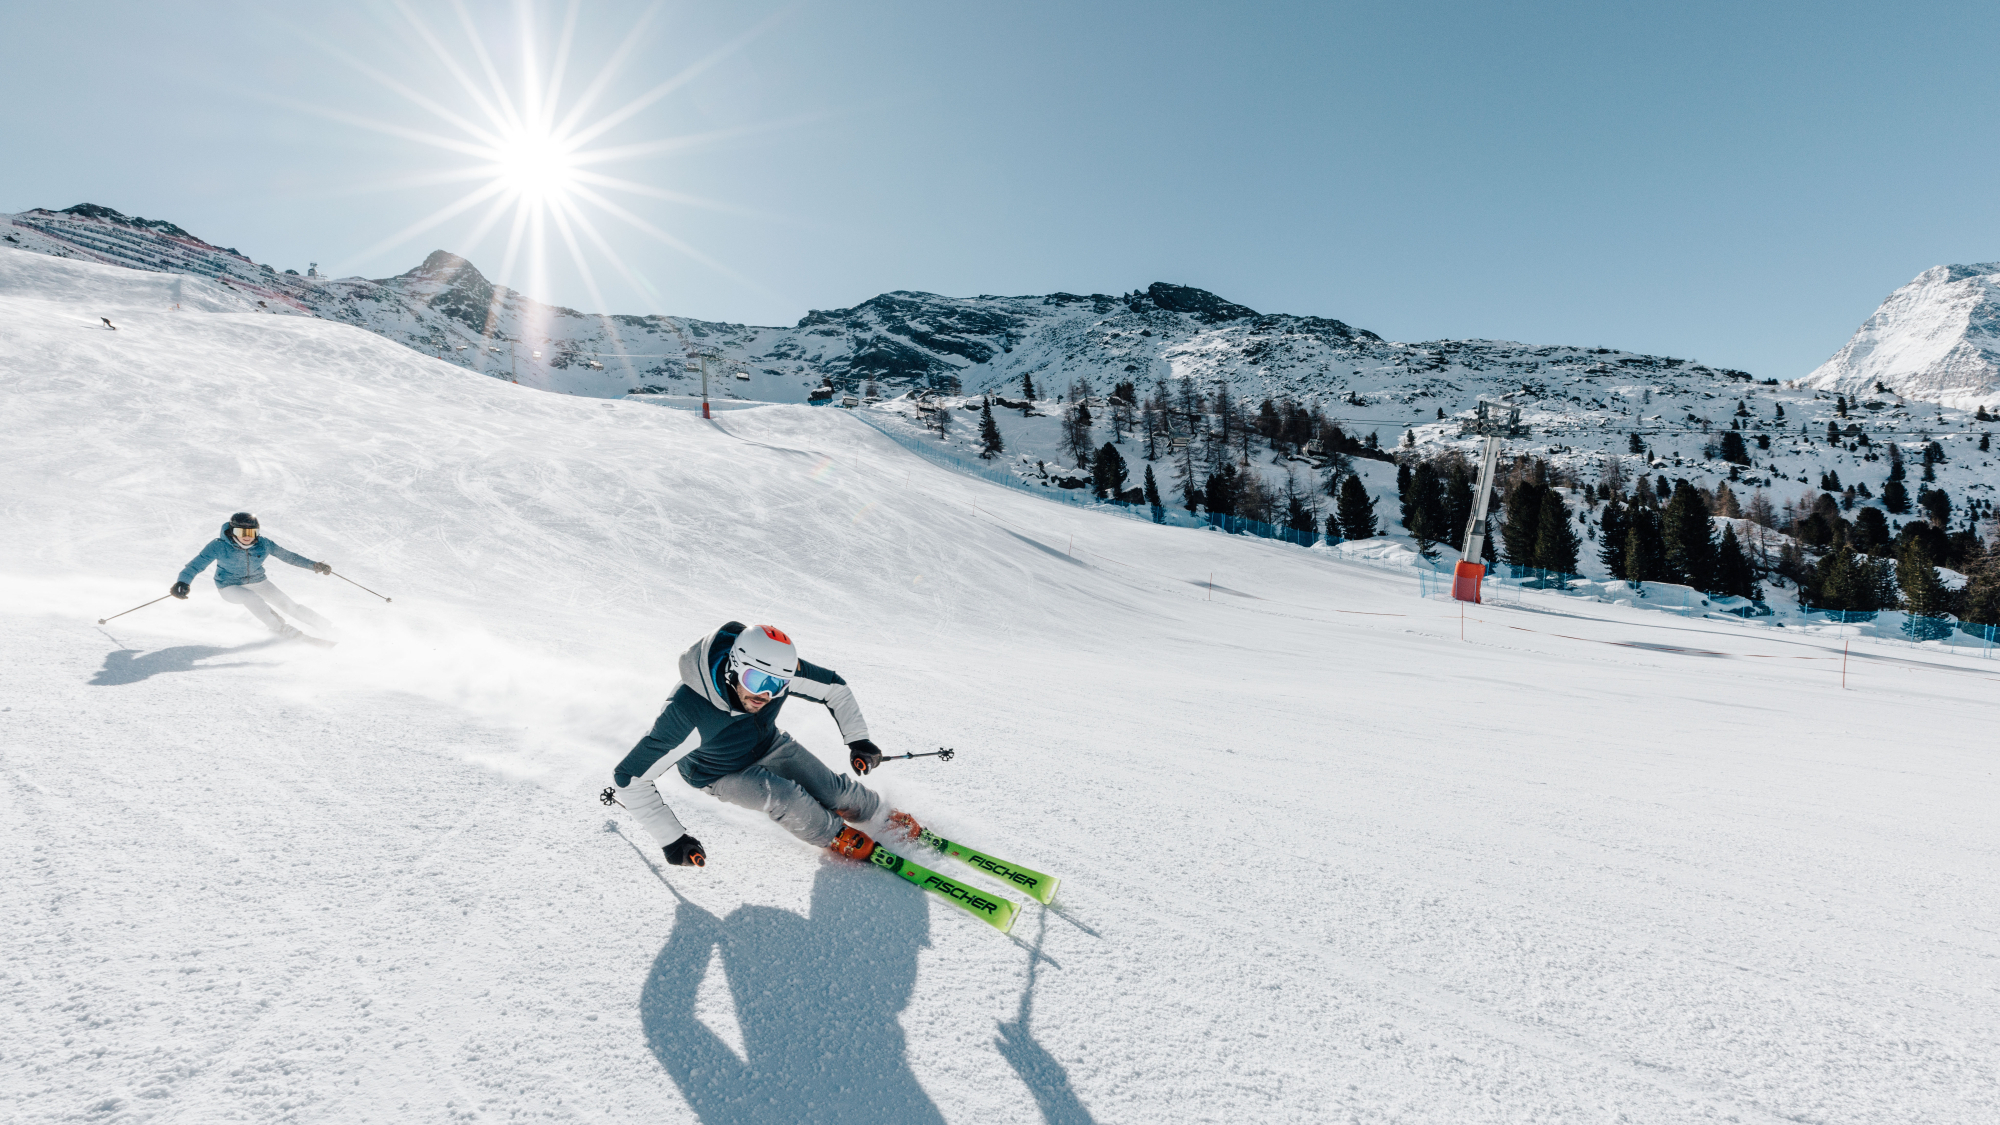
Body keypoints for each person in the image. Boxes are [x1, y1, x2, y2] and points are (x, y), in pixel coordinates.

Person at [605, 622, 914, 868]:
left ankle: (879, 814)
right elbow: (629, 779)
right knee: (785, 797)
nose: (764, 695)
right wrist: (672, 839)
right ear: (733, 666)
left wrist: (858, 738)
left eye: (776, 686)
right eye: (755, 682)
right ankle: (835, 835)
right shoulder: (689, 712)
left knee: (834, 791)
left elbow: (834, 688)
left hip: (769, 744)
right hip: (718, 772)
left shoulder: (776, 670)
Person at [171, 512, 336, 642]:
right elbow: (195, 565)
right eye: (241, 531)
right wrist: (183, 582)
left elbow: (288, 557)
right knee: (252, 599)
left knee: (289, 606)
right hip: (229, 586)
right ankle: (280, 629)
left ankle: (326, 626)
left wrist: (314, 565)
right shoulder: (219, 545)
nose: (247, 536)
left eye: (251, 531)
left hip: (258, 581)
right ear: (232, 531)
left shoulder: (263, 544)